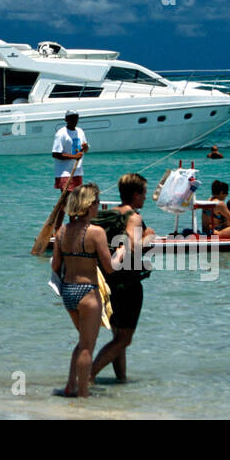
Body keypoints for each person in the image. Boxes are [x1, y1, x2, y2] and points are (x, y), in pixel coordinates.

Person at [51, 184, 124, 397]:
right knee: (87, 347)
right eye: (97, 202)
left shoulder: (63, 230)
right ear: (89, 205)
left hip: (68, 291)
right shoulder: (96, 232)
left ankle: (70, 385)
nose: (98, 206)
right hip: (88, 292)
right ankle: (82, 394)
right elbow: (109, 267)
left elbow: (56, 264)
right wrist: (120, 252)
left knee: (83, 341)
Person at [91, 173, 153, 382]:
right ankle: (87, 375)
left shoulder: (104, 215)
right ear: (136, 194)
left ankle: (121, 381)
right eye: (144, 193)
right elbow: (132, 249)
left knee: (117, 337)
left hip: (105, 282)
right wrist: (149, 238)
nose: (145, 197)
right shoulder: (133, 217)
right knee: (124, 339)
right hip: (127, 285)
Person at [51, 112, 88, 191]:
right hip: (64, 173)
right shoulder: (61, 134)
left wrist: (86, 147)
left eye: (76, 118)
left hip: (77, 171)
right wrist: (74, 157)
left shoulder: (80, 132)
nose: (74, 120)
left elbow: (85, 150)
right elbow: (55, 154)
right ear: (66, 119)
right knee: (67, 197)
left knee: (77, 198)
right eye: (71, 118)